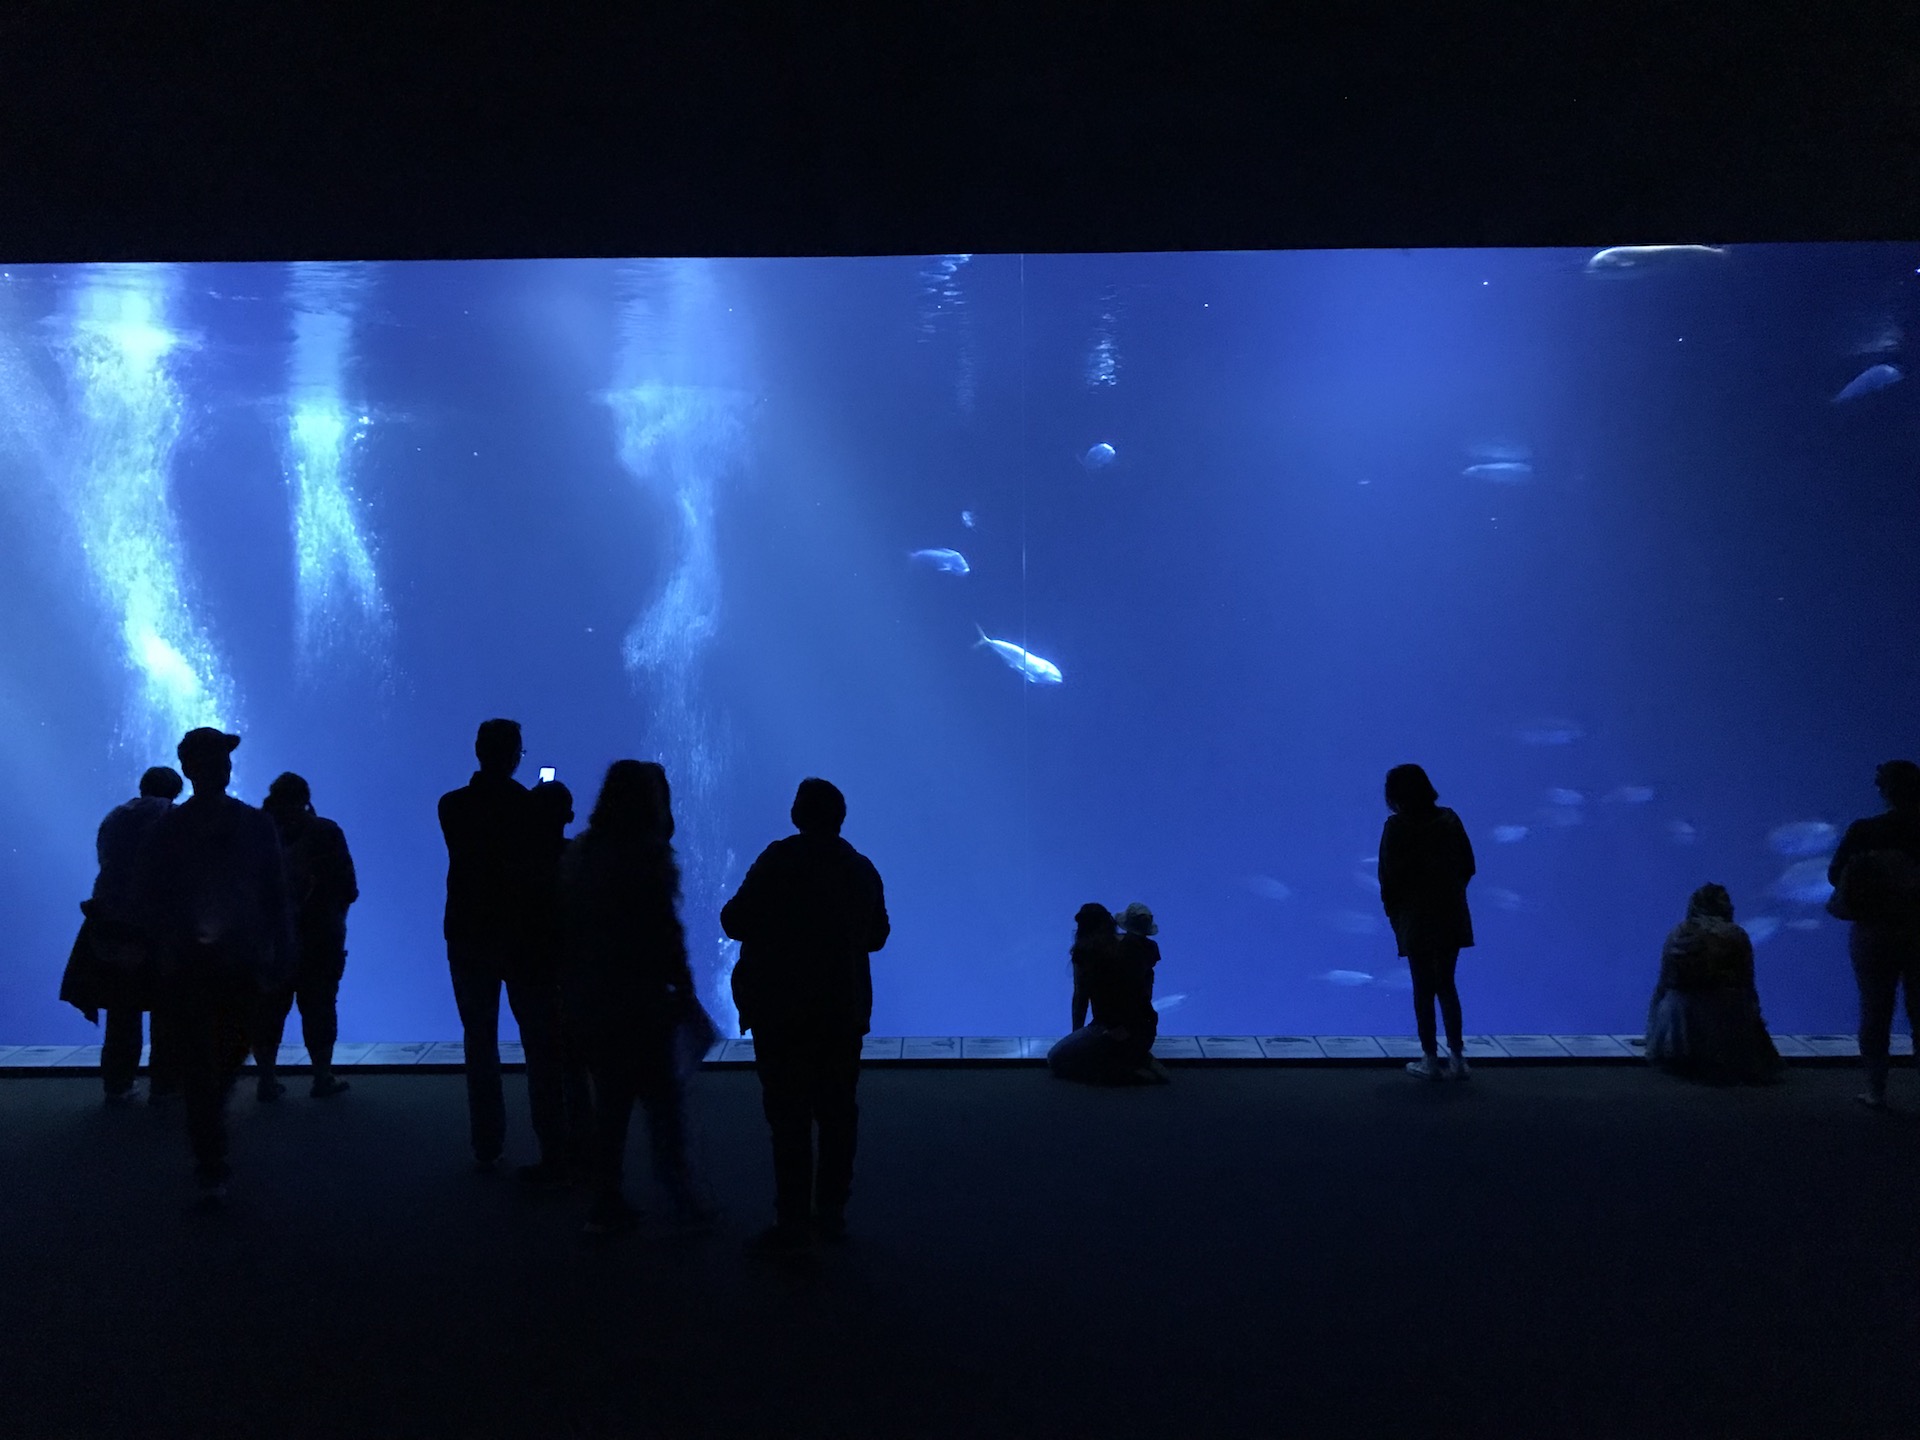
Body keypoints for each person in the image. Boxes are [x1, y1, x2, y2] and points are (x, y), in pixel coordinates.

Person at [722, 778, 889, 1251]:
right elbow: (878, 935)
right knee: (838, 1113)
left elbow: (733, 920)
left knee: (788, 1116)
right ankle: (831, 1213)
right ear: (839, 818)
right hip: (841, 1009)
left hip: (780, 1009)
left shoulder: (777, 860)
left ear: (797, 816)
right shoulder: (860, 868)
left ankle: (791, 1221)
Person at [136, 729, 295, 1203]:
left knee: (216, 1056)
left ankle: (208, 1139)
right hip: (223, 962)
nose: (223, 765)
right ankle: (211, 1153)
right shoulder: (252, 823)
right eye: (218, 758)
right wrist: (282, 948)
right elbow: (276, 894)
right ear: (192, 769)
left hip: (205, 961)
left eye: (223, 757)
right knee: (215, 1057)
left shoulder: (172, 828)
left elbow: (148, 895)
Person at [560, 761, 714, 1236]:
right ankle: (682, 1199)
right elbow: (664, 933)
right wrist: (684, 990)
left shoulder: (582, 854)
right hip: (642, 1001)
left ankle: (605, 1200)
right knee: (664, 1103)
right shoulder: (647, 858)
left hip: (595, 997)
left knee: (611, 1105)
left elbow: (567, 925)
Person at [439, 718, 571, 1182]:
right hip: (522, 941)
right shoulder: (528, 808)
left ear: (477, 751)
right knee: (540, 1044)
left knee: (480, 1044)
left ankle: (487, 1146)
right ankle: (554, 1145)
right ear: (515, 754)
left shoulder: (451, 806)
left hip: (468, 937)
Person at [59, 765, 184, 1103]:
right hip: (156, 926)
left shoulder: (114, 818)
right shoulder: (174, 815)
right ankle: (165, 1086)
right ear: (175, 791)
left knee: (121, 1009)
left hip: (111, 923)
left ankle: (117, 1085)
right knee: (167, 1009)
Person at [250, 773, 358, 1101]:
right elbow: (348, 887)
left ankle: (266, 1080)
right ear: (306, 798)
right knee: (320, 1007)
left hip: (270, 941)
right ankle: (321, 1076)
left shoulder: (257, 833)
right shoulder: (325, 831)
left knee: (268, 1009)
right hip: (321, 937)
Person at [1827, 760, 1920, 1109]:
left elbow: (1836, 875)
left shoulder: (1865, 831)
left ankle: (1876, 1089)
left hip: (1875, 931)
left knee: (1875, 1009)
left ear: (1885, 791)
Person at [1378, 763, 1476, 1081]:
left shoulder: (1396, 827)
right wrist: (1450, 893)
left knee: (1423, 987)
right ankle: (1458, 1059)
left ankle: (1430, 1059)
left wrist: (1395, 912)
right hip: (1451, 913)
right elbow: (1468, 865)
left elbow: (1389, 877)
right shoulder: (1450, 819)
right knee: (1446, 984)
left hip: (1415, 917)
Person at [1644, 883, 1783, 1084]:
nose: (1732, 907)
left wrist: (1653, 1030)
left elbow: (1664, 983)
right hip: (1726, 1013)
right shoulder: (1736, 934)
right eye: (1726, 901)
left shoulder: (1678, 932)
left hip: (1680, 1016)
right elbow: (1746, 983)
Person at [532, 775, 595, 1170]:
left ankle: (552, 1154)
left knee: (544, 1062)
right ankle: (584, 1148)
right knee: (576, 1063)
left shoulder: (519, 860)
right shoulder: (580, 857)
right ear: (570, 816)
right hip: (576, 972)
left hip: (535, 970)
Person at [1047, 903, 1166, 1084]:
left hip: (1109, 1030)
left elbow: (1080, 999)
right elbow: (1143, 992)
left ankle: (1130, 1073)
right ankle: (1139, 1058)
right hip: (1144, 1030)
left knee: (1056, 1059)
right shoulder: (1142, 947)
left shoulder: (1084, 954)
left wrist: (1077, 1034)